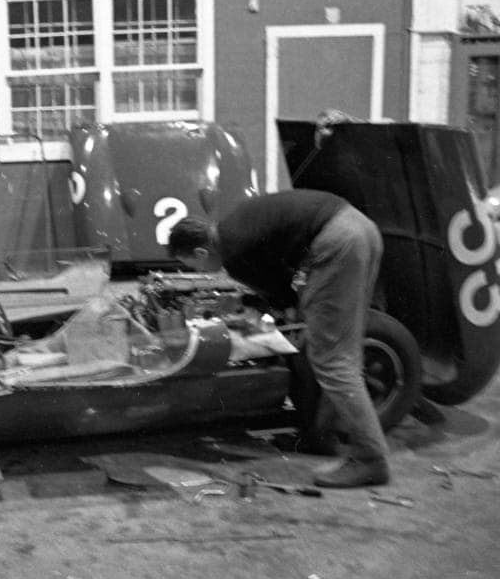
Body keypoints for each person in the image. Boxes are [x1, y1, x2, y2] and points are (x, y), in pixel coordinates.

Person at [166, 190, 390, 488]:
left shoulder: (234, 254)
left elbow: (282, 294)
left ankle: (370, 459)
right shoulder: (233, 226)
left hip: (336, 242)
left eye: (191, 266)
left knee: (334, 362)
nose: (196, 272)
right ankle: (326, 434)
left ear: (200, 253)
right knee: (343, 352)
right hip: (360, 227)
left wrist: (276, 316)